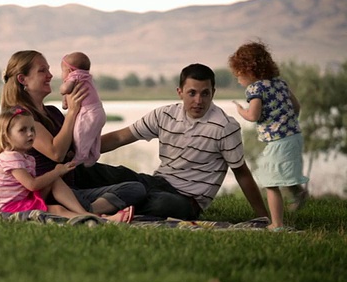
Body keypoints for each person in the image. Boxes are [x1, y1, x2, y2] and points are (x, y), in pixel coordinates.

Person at [91, 63, 270, 221]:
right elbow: (119, 138)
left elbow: (242, 173)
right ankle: (98, 200)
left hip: (186, 200)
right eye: (192, 93)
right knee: (101, 172)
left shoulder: (225, 126)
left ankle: (100, 203)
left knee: (163, 204)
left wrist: (264, 217)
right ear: (180, 92)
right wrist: (78, 152)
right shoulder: (164, 114)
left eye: (205, 94)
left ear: (213, 93)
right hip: (155, 183)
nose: (198, 101)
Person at [0, 50, 147, 219]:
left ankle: (89, 211)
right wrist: (73, 112)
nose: (50, 75)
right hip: (50, 193)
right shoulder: (22, 118)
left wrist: (133, 131)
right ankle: (87, 212)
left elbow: (75, 145)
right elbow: (56, 153)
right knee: (145, 198)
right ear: (22, 79)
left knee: (135, 188)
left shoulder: (53, 112)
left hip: (72, 190)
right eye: (42, 71)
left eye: (49, 70)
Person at [0, 106, 131, 223]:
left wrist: (57, 173)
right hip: (6, 209)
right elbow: (32, 185)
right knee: (57, 209)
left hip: (22, 201)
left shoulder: (25, 158)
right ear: (6, 135)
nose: (30, 134)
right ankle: (99, 220)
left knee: (55, 183)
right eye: (22, 130)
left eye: (32, 129)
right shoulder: (10, 157)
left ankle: (86, 214)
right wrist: (57, 171)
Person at [228, 40, 309, 230]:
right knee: (284, 172)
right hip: (294, 136)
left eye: (239, 75)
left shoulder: (256, 89)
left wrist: (240, 110)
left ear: (249, 70)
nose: (238, 80)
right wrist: (286, 123)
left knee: (270, 182)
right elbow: (296, 107)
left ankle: (277, 224)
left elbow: (253, 115)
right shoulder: (280, 83)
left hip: (278, 141)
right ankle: (298, 193)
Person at [59, 52, 106, 167]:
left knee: (79, 134)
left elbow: (66, 89)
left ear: (70, 71)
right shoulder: (86, 77)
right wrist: (65, 101)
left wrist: (62, 89)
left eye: (62, 70)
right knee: (93, 136)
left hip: (88, 112)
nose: (61, 74)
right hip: (98, 112)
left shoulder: (75, 76)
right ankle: (93, 155)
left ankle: (79, 157)